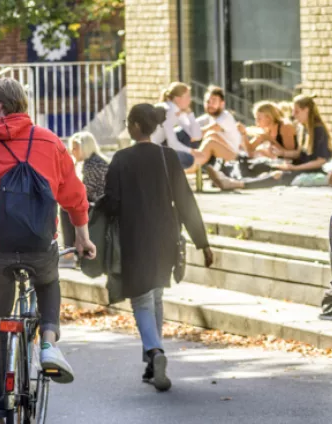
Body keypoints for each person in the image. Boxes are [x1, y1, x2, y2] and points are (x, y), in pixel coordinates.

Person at [0, 78, 96, 424]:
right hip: (38, 246)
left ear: (0, 107)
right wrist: (82, 237)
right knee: (48, 281)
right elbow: (73, 194)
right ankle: (48, 341)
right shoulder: (49, 141)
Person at [103, 103, 213, 392]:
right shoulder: (168, 158)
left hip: (134, 237)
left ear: (137, 126)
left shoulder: (121, 159)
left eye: (129, 122)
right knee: (156, 296)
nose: (127, 126)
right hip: (166, 237)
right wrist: (203, 243)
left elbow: (112, 203)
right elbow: (186, 200)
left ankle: (154, 352)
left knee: (141, 299)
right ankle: (153, 364)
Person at [207, 94, 332, 191]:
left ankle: (237, 184)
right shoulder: (303, 128)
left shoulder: (318, 129)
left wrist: (294, 167)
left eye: (297, 111)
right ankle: (232, 180)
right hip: (297, 167)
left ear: (307, 110)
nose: (293, 114)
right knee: (260, 165)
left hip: (312, 171)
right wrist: (282, 155)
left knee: (278, 176)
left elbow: (320, 161)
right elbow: (298, 153)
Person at [60, 131, 109, 266]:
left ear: (85, 148)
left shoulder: (93, 164)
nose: (72, 151)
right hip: (96, 201)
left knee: (66, 209)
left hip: (98, 204)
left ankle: (70, 252)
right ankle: (72, 251)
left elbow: (86, 190)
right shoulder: (90, 161)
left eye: (75, 148)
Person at [151, 82, 203, 170]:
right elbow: (172, 143)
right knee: (189, 159)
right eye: (187, 97)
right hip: (150, 151)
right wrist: (192, 152)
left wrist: (190, 114)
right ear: (177, 99)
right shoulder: (169, 111)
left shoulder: (176, 110)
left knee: (185, 134)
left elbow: (196, 136)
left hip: (159, 147)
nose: (190, 100)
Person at [194, 86, 243, 165]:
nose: (210, 104)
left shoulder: (225, 116)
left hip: (235, 158)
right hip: (220, 157)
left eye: (214, 101)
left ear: (222, 104)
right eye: (208, 101)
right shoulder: (209, 118)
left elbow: (207, 130)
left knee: (210, 138)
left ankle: (190, 167)